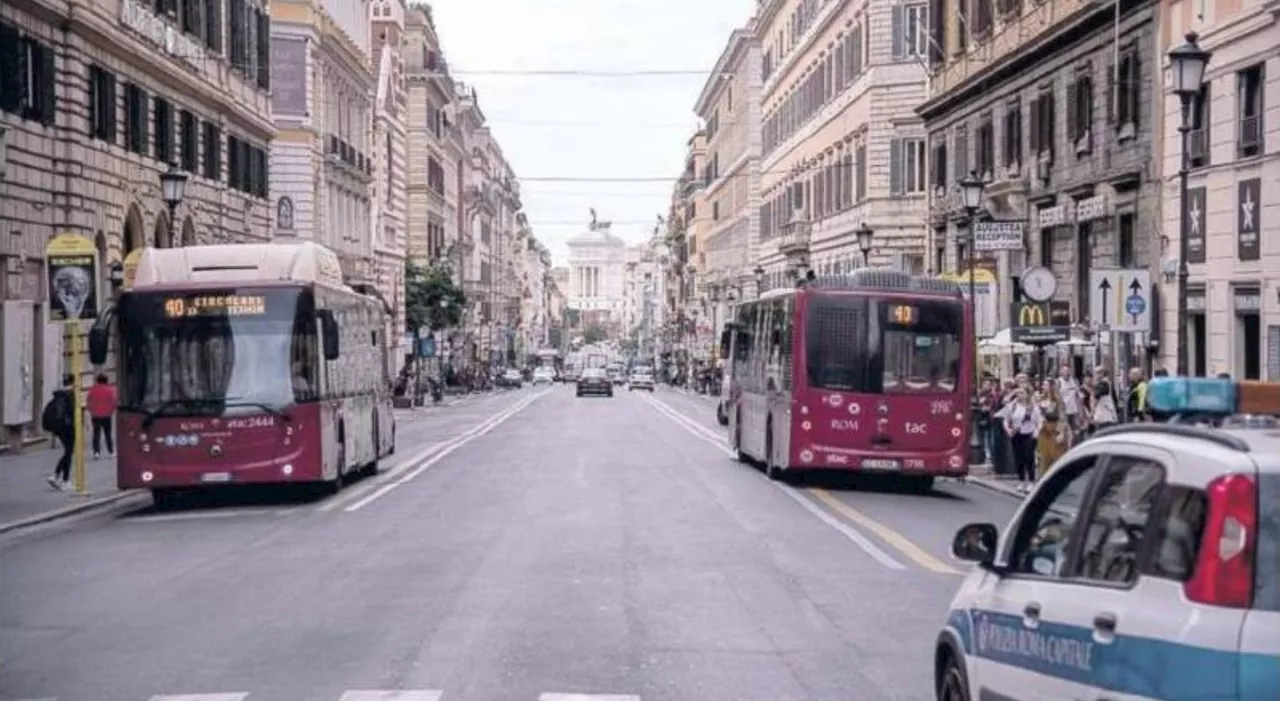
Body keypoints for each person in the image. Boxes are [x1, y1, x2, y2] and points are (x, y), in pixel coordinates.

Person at [1002, 388, 1043, 494]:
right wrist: (1008, 429)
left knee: (1029, 457)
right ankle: (1021, 481)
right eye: (1018, 393)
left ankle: (1031, 481)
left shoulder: (1033, 407)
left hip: (1030, 434)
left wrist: (1036, 432)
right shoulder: (1013, 406)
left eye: (1022, 393)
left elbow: (1040, 421)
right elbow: (1006, 420)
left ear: (1027, 395)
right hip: (1017, 434)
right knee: (1019, 458)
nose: (1020, 395)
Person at [40, 374, 77, 490]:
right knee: (69, 453)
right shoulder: (71, 395)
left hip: (59, 428)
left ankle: (58, 477)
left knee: (68, 452)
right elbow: (73, 412)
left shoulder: (58, 395)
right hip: (68, 427)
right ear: (73, 382)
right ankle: (61, 479)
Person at [85, 373, 117, 459]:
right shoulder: (110, 390)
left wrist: (91, 411)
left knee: (96, 434)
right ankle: (111, 451)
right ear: (106, 380)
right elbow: (114, 403)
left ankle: (96, 452)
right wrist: (111, 411)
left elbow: (88, 402)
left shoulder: (92, 390)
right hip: (107, 415)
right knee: (108, 434)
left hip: (95, 416)